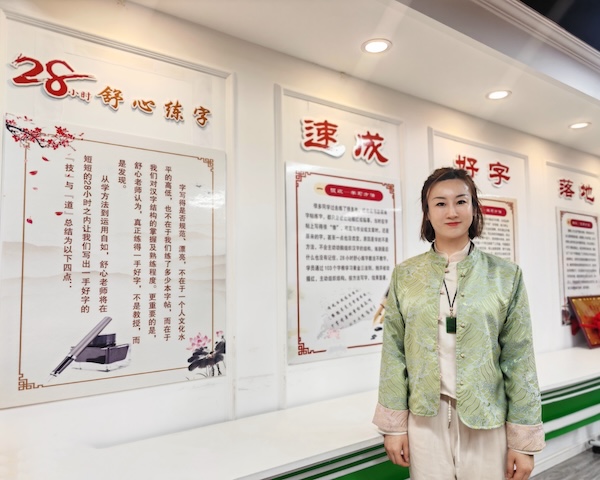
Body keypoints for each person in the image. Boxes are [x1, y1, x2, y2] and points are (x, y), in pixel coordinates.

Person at [373, 167, 545, 480]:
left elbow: (519, 358)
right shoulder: (405, 275)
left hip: (488, 417)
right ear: (427, 213)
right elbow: (394, 353)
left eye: (461, 201)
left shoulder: (506, 275)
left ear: (474, 207)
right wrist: (394, 427)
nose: (451, 212)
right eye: (440, 203)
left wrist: (523, 441)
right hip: (424, 419)